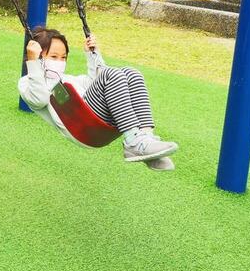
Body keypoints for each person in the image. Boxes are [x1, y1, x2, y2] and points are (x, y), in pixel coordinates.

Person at [18, 26, 178, 171]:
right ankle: (133, 142)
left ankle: (146, 142)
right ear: (38, 57)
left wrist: (93, 54)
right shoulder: (28, 83)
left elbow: (95, 82)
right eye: (53, 56)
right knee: (111, 74)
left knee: (132, 73)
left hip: (101, 122)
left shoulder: (68, 80)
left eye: (63, 57)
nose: (60, 62)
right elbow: (39, 99)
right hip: (83, 127)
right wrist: (33, 64)